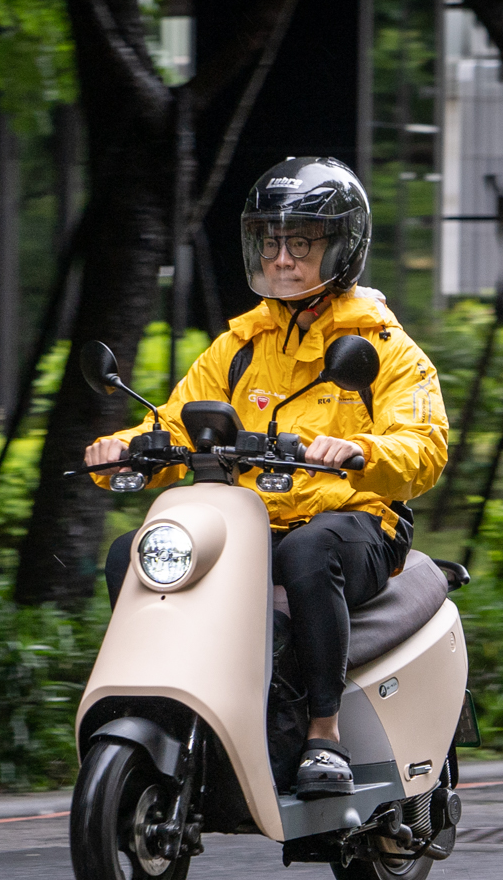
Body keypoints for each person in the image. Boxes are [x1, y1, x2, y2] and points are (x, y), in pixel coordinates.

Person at [83, 158, 448, 798]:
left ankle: (323, 735)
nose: (282, 258)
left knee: (311, 552)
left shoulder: (385, 348)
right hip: (250, 525)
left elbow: (425, 448)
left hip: (358, 525)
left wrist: (360, 451)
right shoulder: (240, 345)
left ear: (342, 245)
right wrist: (124, 452)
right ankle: (172, 701)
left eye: (301, 242)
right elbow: (176, 426)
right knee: (135, 554)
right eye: (271, 241)